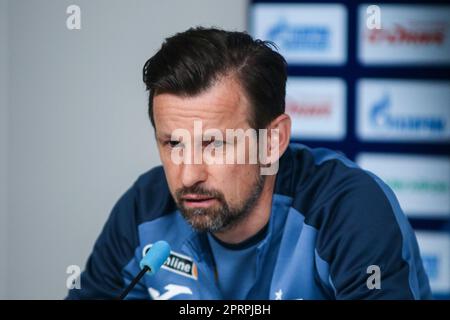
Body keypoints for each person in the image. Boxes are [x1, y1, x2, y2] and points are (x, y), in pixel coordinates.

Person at [67, 27, 431, 300]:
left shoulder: (347, 210)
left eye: (216, 144)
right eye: (173, 144)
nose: (188, 175)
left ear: (272, 141)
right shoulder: (144, 209)